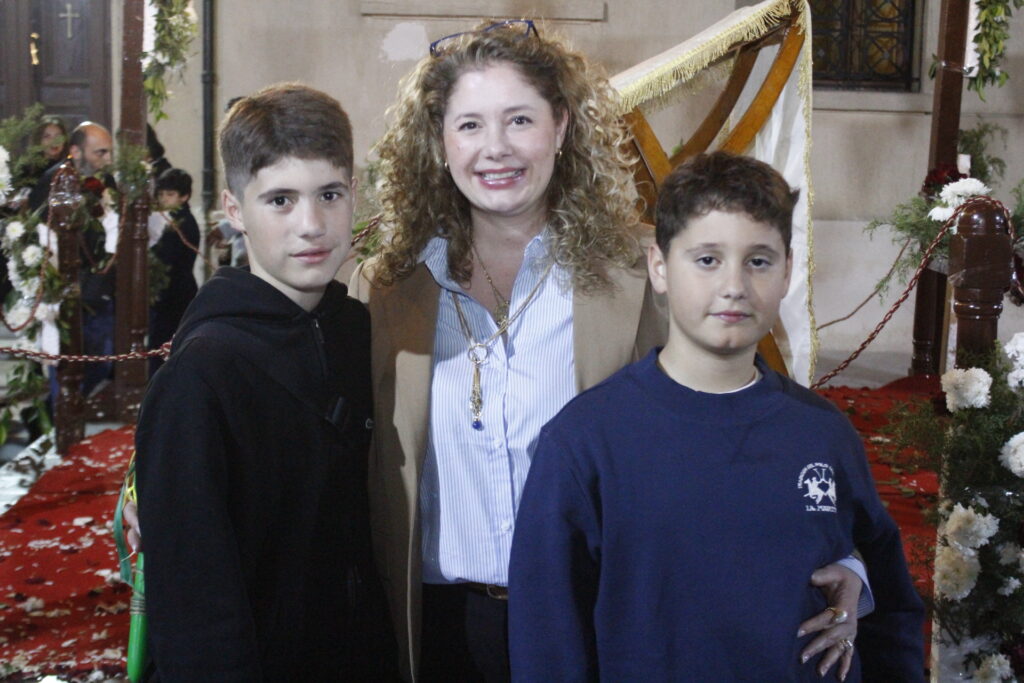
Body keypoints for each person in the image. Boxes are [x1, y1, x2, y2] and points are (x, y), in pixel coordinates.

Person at [349, 20, 870, 682]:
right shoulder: (385, 288)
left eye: (519, 120)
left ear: (561, 127)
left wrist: (847, 559)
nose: (496, 148)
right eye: (470, 125)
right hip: (442, 630)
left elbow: (741, 418)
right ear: (440, 141)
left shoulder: (641, 270)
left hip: (603, 620)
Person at [508, 152, 926, 682]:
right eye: (707, 260)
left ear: (788, 270)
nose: (734, 286)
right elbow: (548, 640)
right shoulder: (585, 442)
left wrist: (859, 585)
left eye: (759, 261)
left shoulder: (822, 432)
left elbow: (889, 600)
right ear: (659, 267)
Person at [134, 83, 395, 680]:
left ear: (354, 194)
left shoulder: (358, 328)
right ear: (234, 211)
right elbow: (194, 606)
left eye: (329, 194)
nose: (312, 225)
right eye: (280, 200)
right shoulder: (201, 374)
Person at [148, 167, 200, 373]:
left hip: (174, 295)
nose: (164, 199)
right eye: (161, 194)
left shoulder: (181, 223)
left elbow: (165, 258)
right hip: (174, 292)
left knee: (164, 350)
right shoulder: (171, 219)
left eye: (170, 194)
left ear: (184, 196)